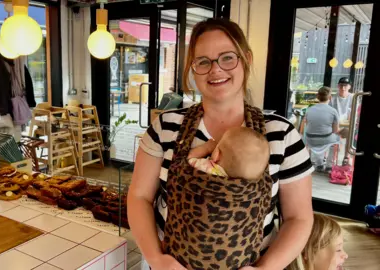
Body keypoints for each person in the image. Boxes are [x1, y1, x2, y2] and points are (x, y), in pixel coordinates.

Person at [127, 18, 314, 270]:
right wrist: (157, 260)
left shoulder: (281, 134)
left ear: (246, 59)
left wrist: (265, 269)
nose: (215, 70)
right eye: (203, 62)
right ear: (193, 70)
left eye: (227, 57)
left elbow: (299, 218)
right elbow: (138, 197)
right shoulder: (166, 127)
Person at [188, 126, 270, 181]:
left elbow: (188, 159)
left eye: (217, 144)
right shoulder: (242, 188)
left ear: (217, 155)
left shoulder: (206, 168)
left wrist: (207, 148)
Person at [303, 87, 341, 172]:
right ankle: (329, 165)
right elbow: (335, 130)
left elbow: (308, 124)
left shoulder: (309, 109)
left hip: (310, 139)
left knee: (317, 137)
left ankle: (319, 164)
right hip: (325, 139)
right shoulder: (333, 111)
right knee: (336, 138)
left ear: (317, 96)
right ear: (330, 97)